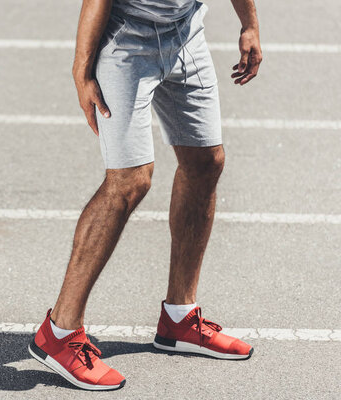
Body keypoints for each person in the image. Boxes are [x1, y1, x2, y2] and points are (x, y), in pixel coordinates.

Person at [28, 0, 263, 391]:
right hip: (127, 41)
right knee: (129, 181)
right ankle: (59, 332)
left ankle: (179, 318)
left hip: (186, 33)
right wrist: (81, 69)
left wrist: (249, 25)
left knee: (206, 162)